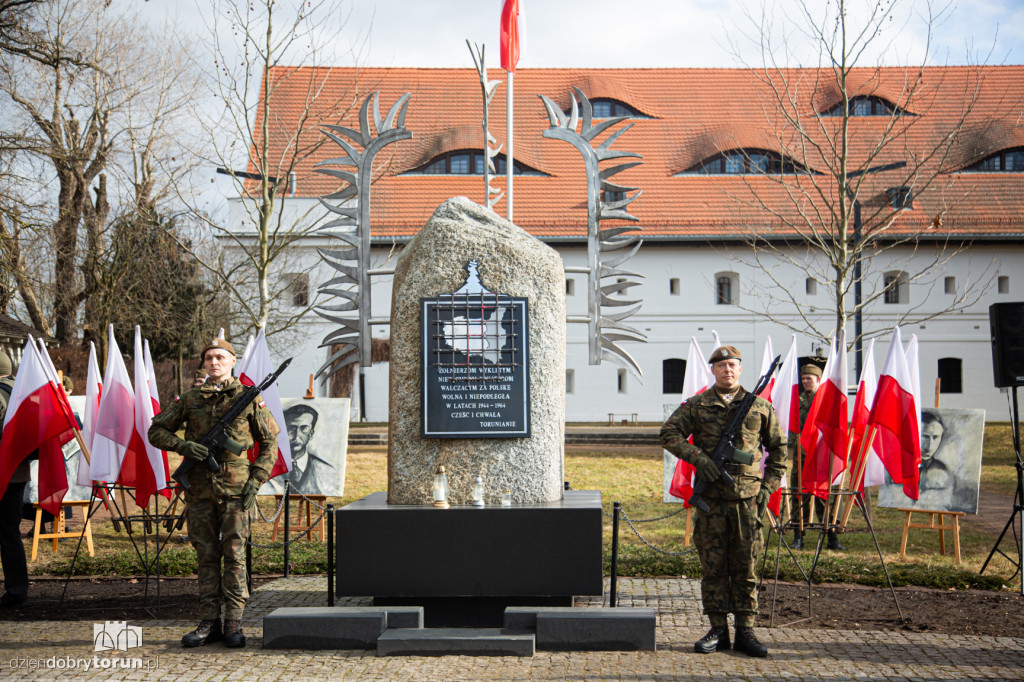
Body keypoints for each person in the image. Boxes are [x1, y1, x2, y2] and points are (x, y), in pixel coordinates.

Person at [148, 338, 279, 648]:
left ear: (232, 361)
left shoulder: (248, 399)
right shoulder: (190, 398)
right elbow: (156, 431)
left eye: (221, 357)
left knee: (235, 556)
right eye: (209, 358)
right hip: (200, 491)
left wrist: (256, 480)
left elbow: (270, 443)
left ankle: (233, 622)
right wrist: (182, 445)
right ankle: (210, 622)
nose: (214, 362)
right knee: (206, 556)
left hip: (236, 491)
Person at [660, 345, 786, 657]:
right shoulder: (698, 404)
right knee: (713, 567)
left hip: (747, 503)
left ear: (740, 369)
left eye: (733, 365)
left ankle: (746, 630)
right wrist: (698, 458)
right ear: (713, 370)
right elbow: (668, 433)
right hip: (712, 502)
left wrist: (765, 494)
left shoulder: (760, 407)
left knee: (747, 567)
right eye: (721, 365)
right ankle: (718, 629)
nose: (727, 370)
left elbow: (780, 456)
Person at [0, 350, 29, 608]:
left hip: (2, 472)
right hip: (18, 474)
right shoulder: (22, 392)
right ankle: (18, 591)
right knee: (10, 533)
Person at [267, 404, 335, 495]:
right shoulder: (268, 467)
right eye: (292, 428)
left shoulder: (325, 470)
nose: (296, 436)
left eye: (304, 428)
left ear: (311, 434)